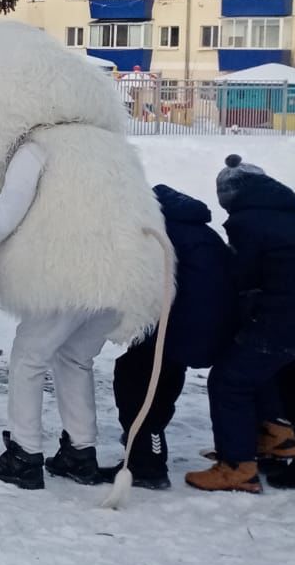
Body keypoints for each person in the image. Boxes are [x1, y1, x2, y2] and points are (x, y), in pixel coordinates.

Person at [0, 22, 169, 492]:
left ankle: (24, 454)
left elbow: (6, 216)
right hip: (123, 277)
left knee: (29, 357)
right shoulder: (109, 145)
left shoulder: (39, 146)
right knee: (74, 358)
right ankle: (80, 454)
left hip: (69, 276)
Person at [101, 184, 237, 490]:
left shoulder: (157, 232)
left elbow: (140, 281)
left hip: (184, 327)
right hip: (210, 327)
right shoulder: (194, 228)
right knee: (162, 374)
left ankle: (146, 462)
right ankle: (146, 440)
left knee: (135, 378)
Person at [186, 156, 295, 492]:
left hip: (283, 317)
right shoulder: (286, 215)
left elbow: (241, 277)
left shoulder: (247, 222)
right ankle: (276, 438)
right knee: (256, 371)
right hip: (291, 315)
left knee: (228, 381)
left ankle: (237, 466)